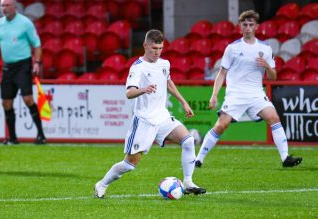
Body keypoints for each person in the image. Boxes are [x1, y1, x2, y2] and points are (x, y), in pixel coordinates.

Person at [94, 29, 206, 198]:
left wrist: (183, 102)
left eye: (160, 48)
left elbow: (169, 83)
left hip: (162, 117)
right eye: (154, 48)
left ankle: (188, 182)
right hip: (144, 121)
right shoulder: (137, 68)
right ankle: (102, 184)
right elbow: (129, 93)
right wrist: (143, 89)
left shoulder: (164, 64)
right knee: (130, 164)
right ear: (145, 45)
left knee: (188, 140)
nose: (157, 52)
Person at [195, 10, 302, 168]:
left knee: (274, 118)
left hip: (256, 94)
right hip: (236, 94)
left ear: (257, 27)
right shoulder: (232, 48)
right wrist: (214, 95)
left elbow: (273, 77)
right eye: (244, 24)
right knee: (221, 125)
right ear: (240, 27)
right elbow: (222, 72)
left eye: (251, 24)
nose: (248, 27)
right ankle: (198, 159)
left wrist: (267, 66)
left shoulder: (265, 48)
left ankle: (285, 158)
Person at [0, 0, 46, 145]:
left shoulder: (25, 23)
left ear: (15, 6)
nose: (4, 8)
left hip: (23, 65)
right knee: (6, 102)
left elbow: (37, 44)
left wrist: (37, 63)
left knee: (28, 99)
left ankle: (41, 135)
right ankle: (12, 138)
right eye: (2, 5)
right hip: (7, 67)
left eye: (7, 5)